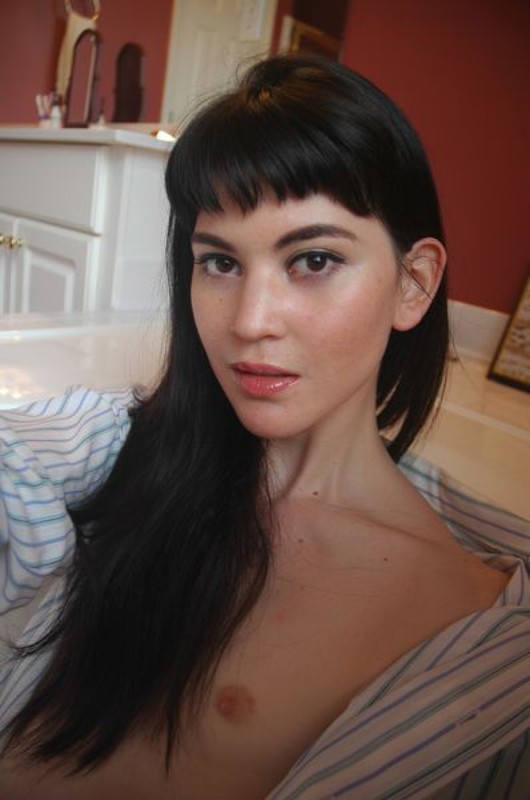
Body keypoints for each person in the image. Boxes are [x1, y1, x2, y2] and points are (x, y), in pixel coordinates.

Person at [0, 55, 529, 799]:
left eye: (312, 259)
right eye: (220, 263)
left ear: (413, 285)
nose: (250, 322)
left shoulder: (473, 628)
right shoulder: (119, 450)